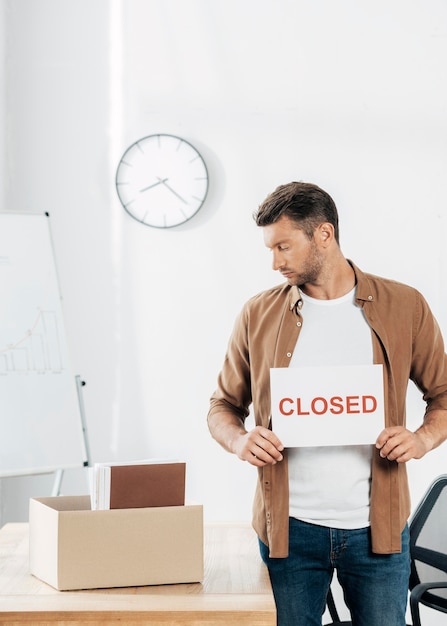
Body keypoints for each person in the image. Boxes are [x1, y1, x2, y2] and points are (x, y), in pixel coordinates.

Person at [207, 181, 447, 626]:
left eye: (283, 246)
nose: (274, 262)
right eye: (270, 249)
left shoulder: (404, 306)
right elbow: (221, 407)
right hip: (289, 532)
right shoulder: (257, 314)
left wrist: (421, 439)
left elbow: (444, 397)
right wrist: (240, 441)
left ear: (324, 234)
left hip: (378, 532)